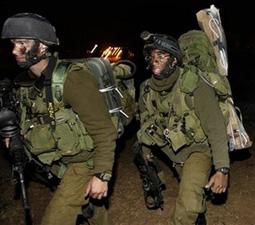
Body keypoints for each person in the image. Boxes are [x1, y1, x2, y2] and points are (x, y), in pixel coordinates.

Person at [1, 13, 117, 225]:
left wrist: (102, 175)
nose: (14, 50)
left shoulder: (72, 79)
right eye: (13, 44)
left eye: (22, 43)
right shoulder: (26, 84)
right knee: (93, 211)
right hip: (58, 164)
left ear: (43, 46)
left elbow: (104, 130)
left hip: (84, 163)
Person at [136, 31, 230, 225]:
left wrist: (222, 169)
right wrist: (145, 151)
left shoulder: (194, 84)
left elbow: (215, 127)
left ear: (174, 60)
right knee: (194, 196)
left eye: (161, 56)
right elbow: (145, 121)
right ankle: (199, 216)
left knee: (186, 205)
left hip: (198, 150)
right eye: (152, 56)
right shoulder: (146, 89)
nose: (155, 60)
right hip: (172, 152)